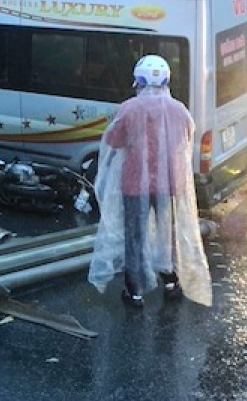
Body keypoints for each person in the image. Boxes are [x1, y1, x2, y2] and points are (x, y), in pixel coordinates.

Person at [88, 54, 212, 307]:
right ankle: (170, 281)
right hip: (169, 184)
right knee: (166, 234)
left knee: (134, 236)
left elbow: (113, 141)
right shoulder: (179, 110)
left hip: (135, 185)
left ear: (138, 80)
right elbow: (187, 137)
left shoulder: (129, 108)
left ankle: (134, 291)